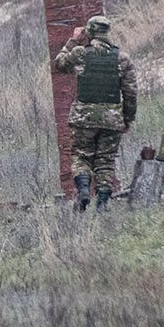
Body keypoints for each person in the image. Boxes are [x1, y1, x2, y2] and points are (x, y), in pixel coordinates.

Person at [53, 15, 137, 212]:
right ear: (107, 33)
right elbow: (131, 93)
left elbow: (59, 63)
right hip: (111, 120)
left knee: (81, 156)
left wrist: (73, 40)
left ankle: (83, 190)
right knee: (105, 161)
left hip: (84, 118)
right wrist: (127, 119)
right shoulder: (122, 59)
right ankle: (102, 203)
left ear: (89, 33)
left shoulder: (81, 53)